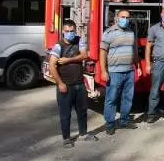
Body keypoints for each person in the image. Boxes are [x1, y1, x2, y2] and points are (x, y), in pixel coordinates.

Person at [49, 19, 98, 147]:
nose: (70, 33)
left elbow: (84, 55)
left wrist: (67, 60)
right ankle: (66, 139)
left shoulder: (79, 40)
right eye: (67, 31)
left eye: (72, 31)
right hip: (65, 85)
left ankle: (83, 134)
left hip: (79, 84)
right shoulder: (58, 46)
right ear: (63, 32)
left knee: (82, 111)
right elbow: (52, 66)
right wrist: (60, 83)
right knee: (65, 115)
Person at [100, 9, 141, 135]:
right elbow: (103, 52)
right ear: (117, 18)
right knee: (111, 98)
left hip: (129, 71)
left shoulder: (131, 32)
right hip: (114, 72)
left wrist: (137, 66)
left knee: (127, 98)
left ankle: (124, 120)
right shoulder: (109, 32)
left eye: (127, 17)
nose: (125, 19)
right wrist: (103, 70)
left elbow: (134, 51)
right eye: (123, 17)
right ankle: (110, 124)